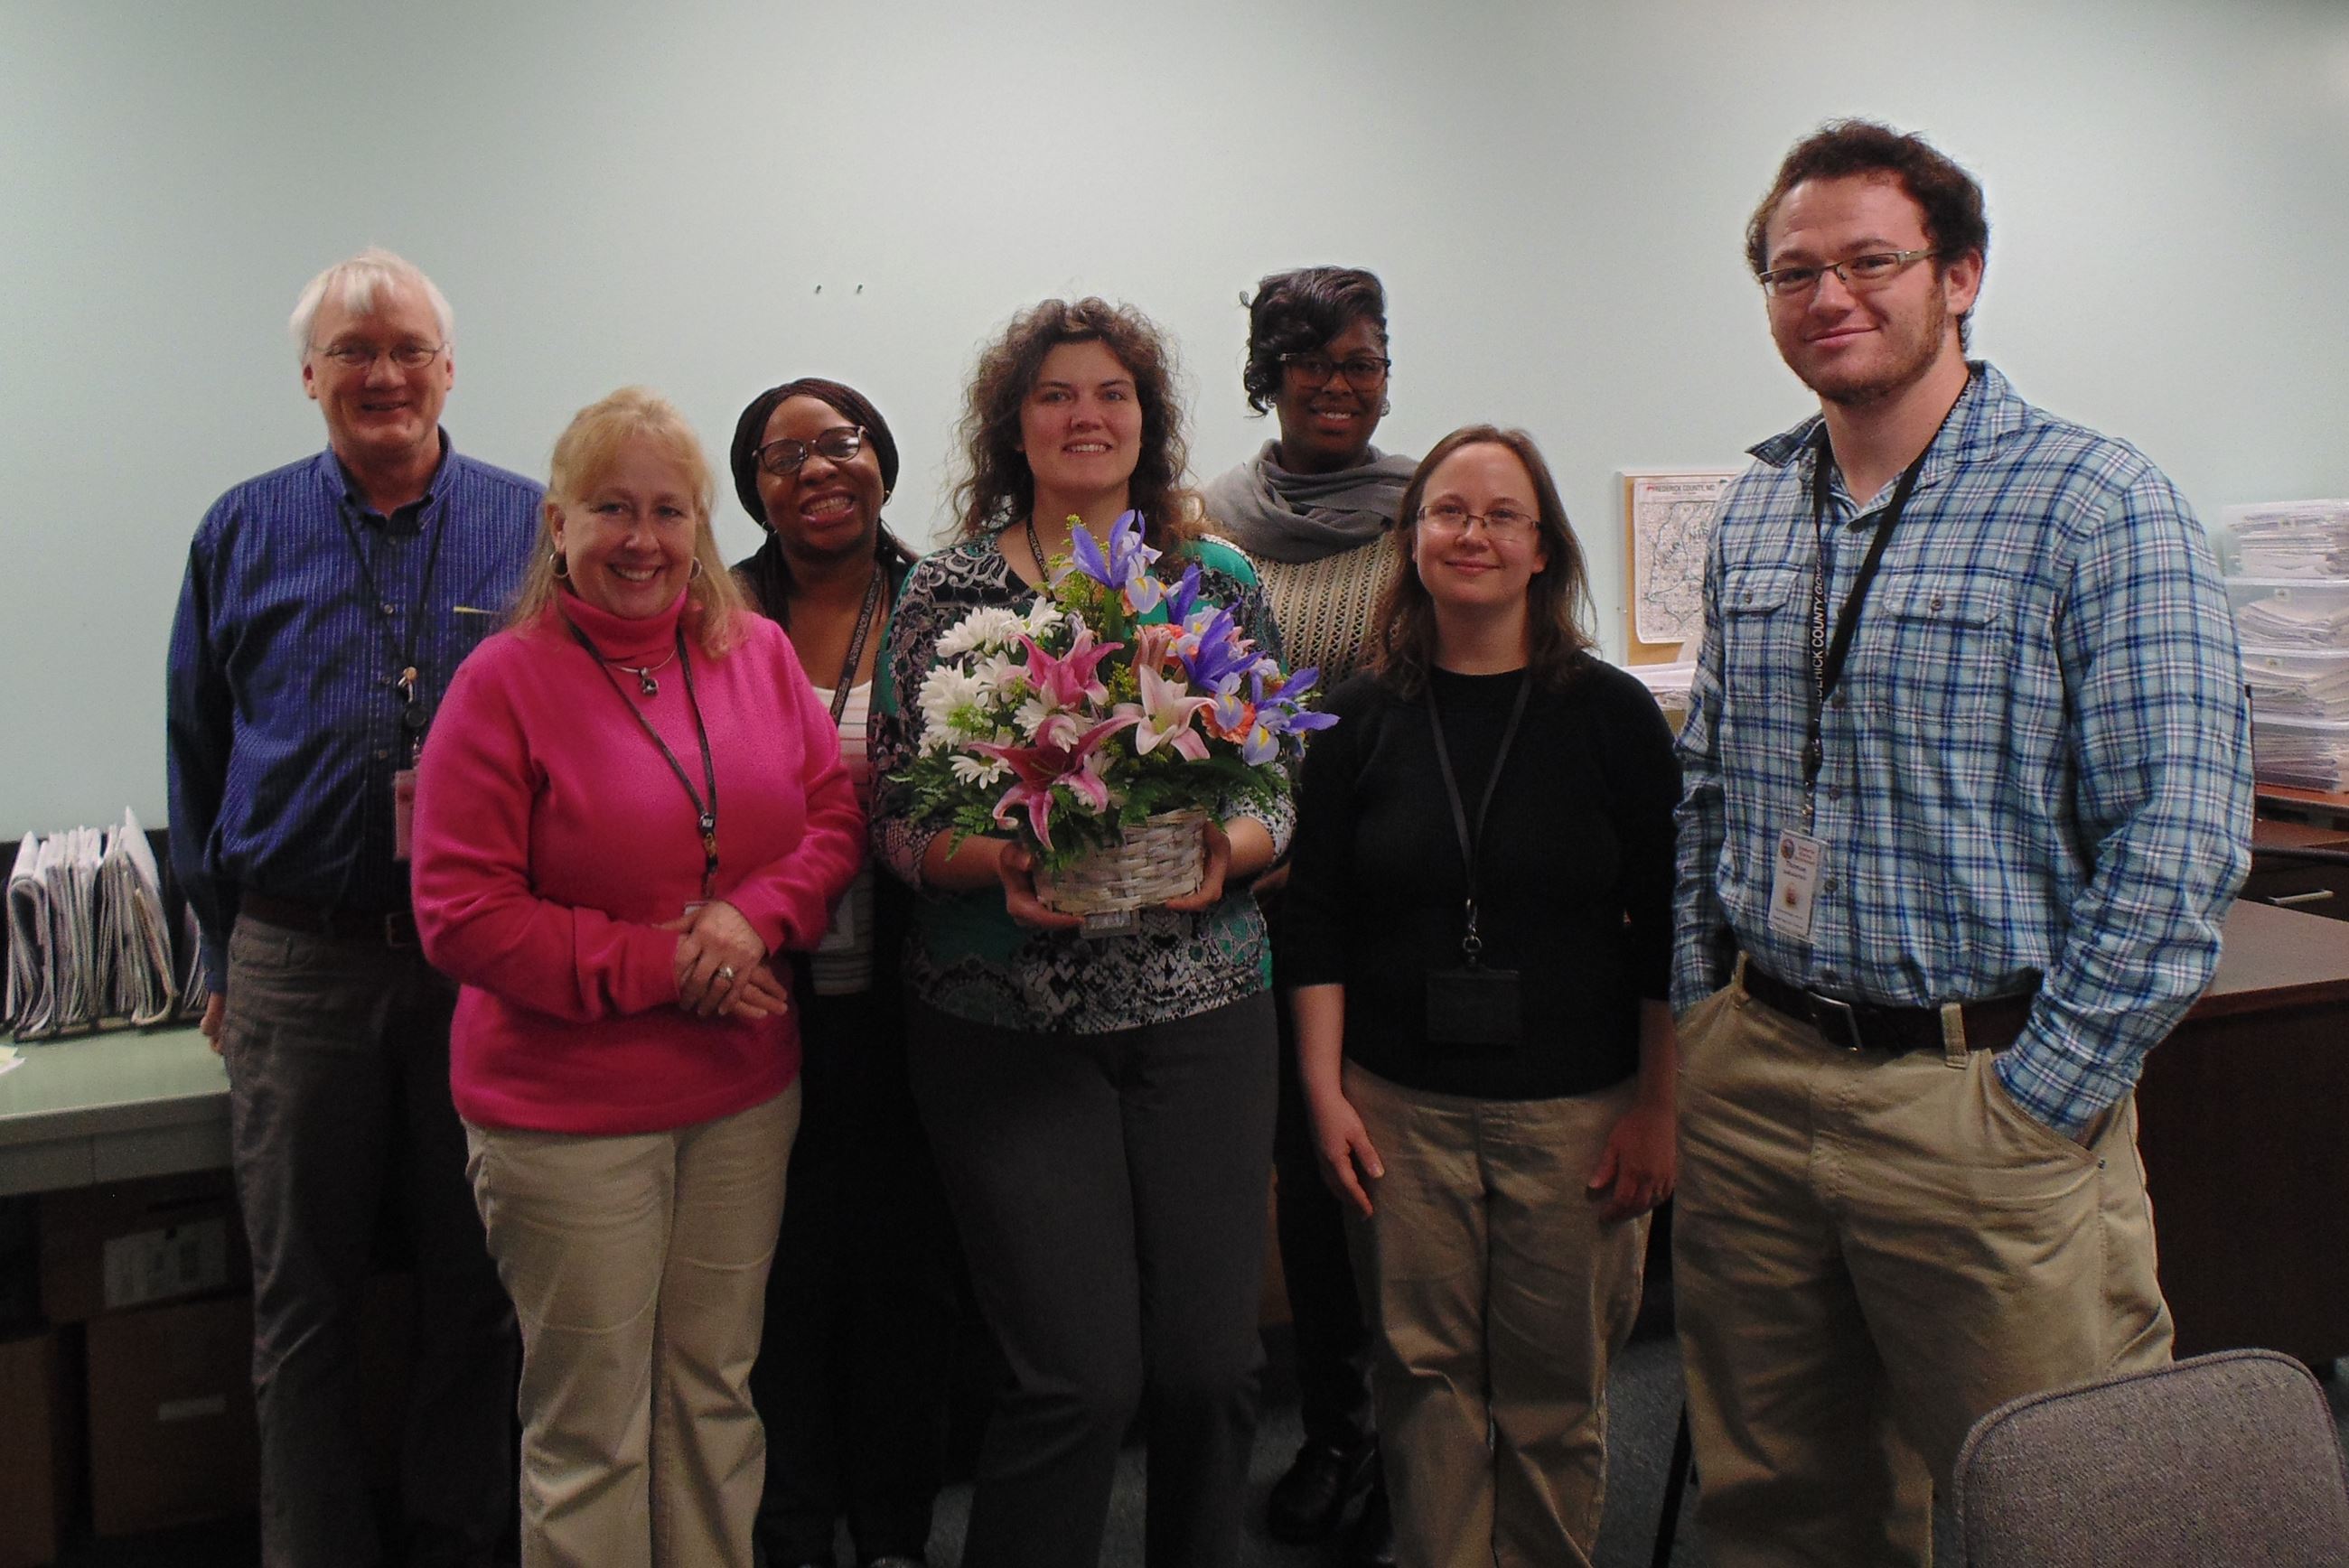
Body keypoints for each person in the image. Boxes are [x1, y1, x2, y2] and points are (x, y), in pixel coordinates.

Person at [1671, 119, 2254, 1566]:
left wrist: (2044, 1098)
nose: (1830, 296)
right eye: (1793, 270)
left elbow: (2179, 839)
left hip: (1979, 1098)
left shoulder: (2098, 505)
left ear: (1962, 274)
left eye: (1873, 260)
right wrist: (1703, 1013)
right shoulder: (1758, 510)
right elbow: (1708, 786)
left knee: (2057, 1513)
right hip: (1760, 1080)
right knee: (1779, 1504)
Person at [410, 387, 864, 1567]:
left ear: (702, 527)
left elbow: (829, 821)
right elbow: (463, 917)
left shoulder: (757, 655)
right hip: (567, 1119)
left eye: (670, 511)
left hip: (740, 1099)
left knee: (715, 1394)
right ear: (558, 524)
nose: (643, 539)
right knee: (592, 1426)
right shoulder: (500, 686)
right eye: (612, 507)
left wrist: (751, 923)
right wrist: (673, 961)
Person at [867, 297, 1288, 1568]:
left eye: (1111, 393)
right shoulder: (947, 593)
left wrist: (1229, 850)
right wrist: (1000, 858)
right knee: (1077, 1381)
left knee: (1212, 1370)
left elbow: (1274, 784)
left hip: (1205, 1013)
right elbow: (894, 816)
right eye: (1055, 394)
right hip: (1006, 1027)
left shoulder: (1214, 581)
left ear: (1146, 421)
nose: (1085, 416)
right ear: (1015, 425)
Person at [165, 247, 529, 1568]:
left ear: (448, 369)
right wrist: (217, 950)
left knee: (479, 1284)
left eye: (409, 349)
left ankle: (459, 1534)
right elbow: (195, 748)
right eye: (353, 351)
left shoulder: (529, 521)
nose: (383, 374)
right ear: (310, 376)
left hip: (485, 963)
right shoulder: (240, 528)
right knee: (300, 1298)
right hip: (296, 958)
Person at [1283, 426, 1679, 1568]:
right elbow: (1315, 921)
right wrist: (1322, 1090)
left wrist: (1660, 1104)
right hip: (1396, 1104)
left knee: (1557, 1390)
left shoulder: (1610, 717)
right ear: (1409, 542)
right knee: (1421, 1378)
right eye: (1447, 511)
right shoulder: (1353, 717)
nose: (1472, 534)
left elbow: (1667, 925)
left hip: (1580, 1111)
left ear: (1543, 548)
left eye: (1501, 514)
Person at [1200, 266, 1414, 1564]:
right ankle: (1337, 1429)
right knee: (1307, 1174)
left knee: (1399, 1176)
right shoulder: (1206, 521)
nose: (1339, 385)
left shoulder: (1428, 510)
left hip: (1390, 898)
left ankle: (1412, 1432)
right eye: (1311, 362)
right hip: (1260, 905)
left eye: (1364, 362)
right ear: (1267, 376)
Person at [725, 377, 953, 1568]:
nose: (817, 470)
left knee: (900, 1285)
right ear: (752, 486)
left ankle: (899, 1532)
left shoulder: (947, 607)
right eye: (783, 454)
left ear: (884, 460)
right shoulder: (710, 618)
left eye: (843, 443)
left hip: (914, 1006)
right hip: (758, 1008)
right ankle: (795, 1529)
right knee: (779, 1285)